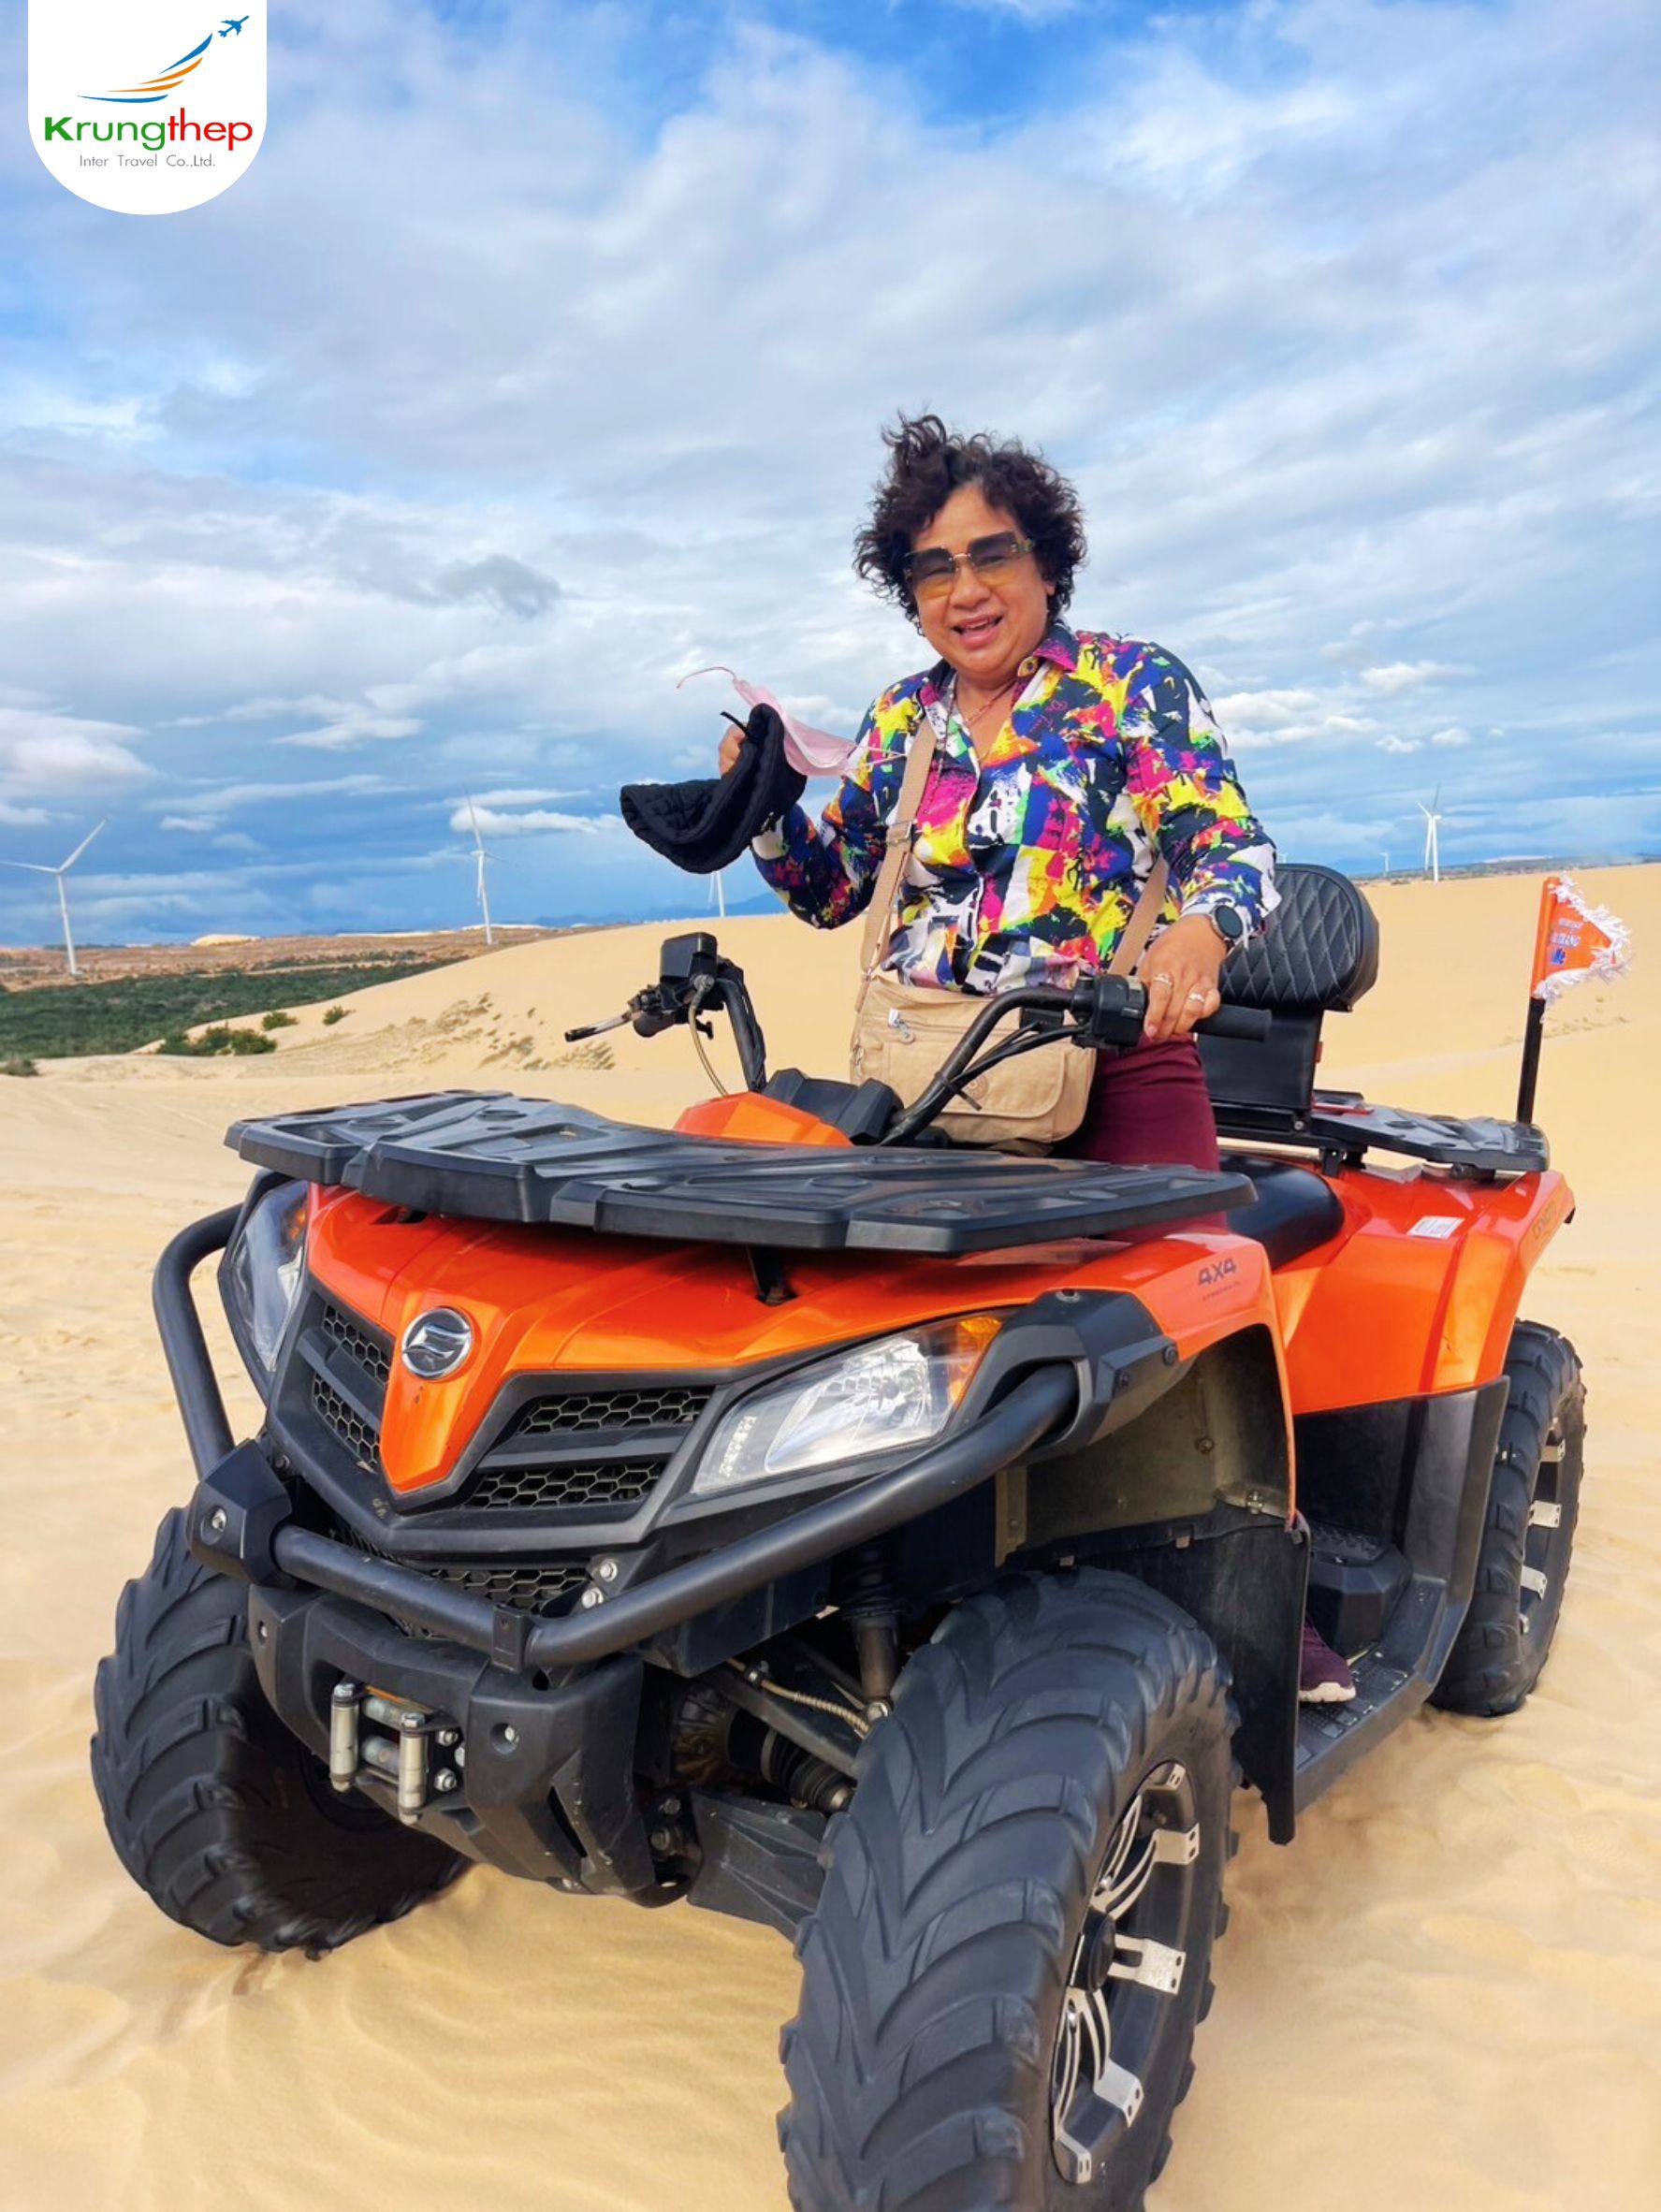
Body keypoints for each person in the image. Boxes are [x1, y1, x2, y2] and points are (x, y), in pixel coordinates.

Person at [718, 413, 1351, 1703]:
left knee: (1201, 1317)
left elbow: (1235, 850)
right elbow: (834, 891)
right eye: (931, 568)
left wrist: (1197, 934)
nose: (964, 589)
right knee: (876, 1343)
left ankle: (1261, 1602)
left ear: (1048, 562)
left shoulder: (1130, 685)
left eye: (990, 554)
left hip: (1113, 1066)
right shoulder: (904, 718)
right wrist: (766, 809)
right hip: (927, 1084)